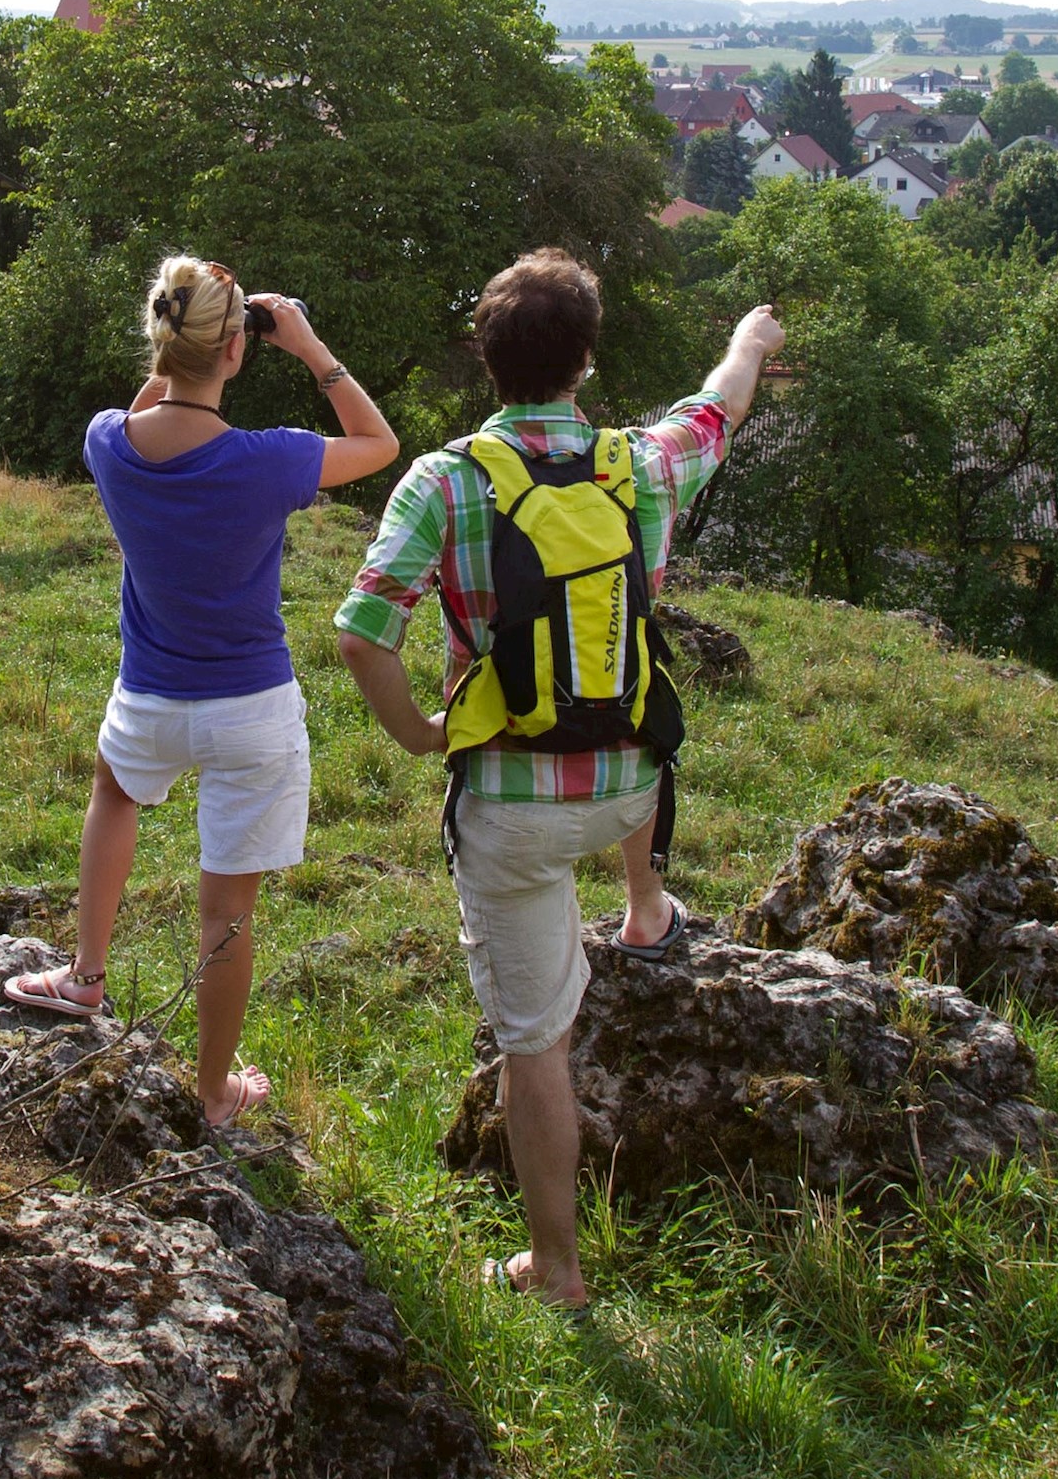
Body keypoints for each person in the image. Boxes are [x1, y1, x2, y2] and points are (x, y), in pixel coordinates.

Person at [335, 250, 783, 1307]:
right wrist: (750, 340)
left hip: (512, 809)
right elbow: (716, 408)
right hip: (634, 791)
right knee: (638, 680)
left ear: (485, 361)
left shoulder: (444, 481)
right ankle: (644, 902)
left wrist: (420, 736)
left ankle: (558, 1270)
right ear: (584, 359)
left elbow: (363, 631)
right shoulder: (643, 464)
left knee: (536, 1044)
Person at [2, 257, 399, 1123]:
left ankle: (86, 974)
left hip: (150, 697)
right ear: (236, 350)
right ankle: (214, 1093)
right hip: (252, 711)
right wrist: (305, 344)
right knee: (226, 914)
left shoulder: (108, 442)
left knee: (115, 791)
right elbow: (379, 445)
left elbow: (152, 403)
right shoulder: (268, 460)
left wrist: (189, 347)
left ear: (161, 340)